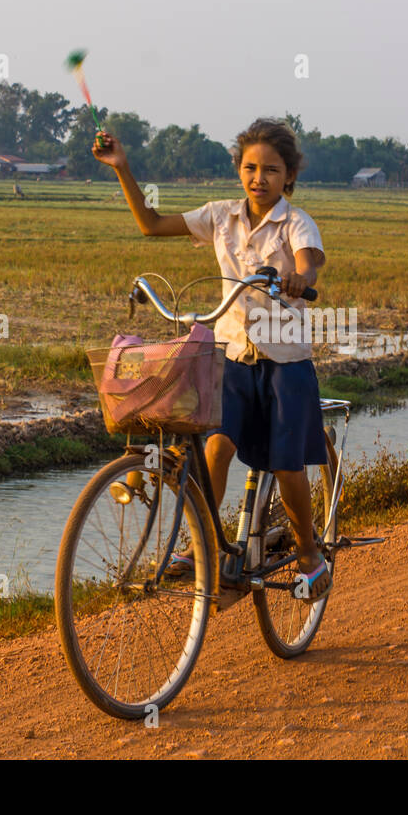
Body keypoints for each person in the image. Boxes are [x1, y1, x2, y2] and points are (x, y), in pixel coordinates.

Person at [92, 118, 334, 602]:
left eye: (271, 170)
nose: (258, 178)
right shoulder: (221, 216)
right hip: (233, 356)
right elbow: (151, 224)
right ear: (238, 170)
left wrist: (296, 278)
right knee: (216, 447)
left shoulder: (296, 222)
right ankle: (201, 545)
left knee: (288, 467)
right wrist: (121, 168)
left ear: (288, 176)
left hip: (284, 362)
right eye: (250, 167)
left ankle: (310, 556)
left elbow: (310, 261)